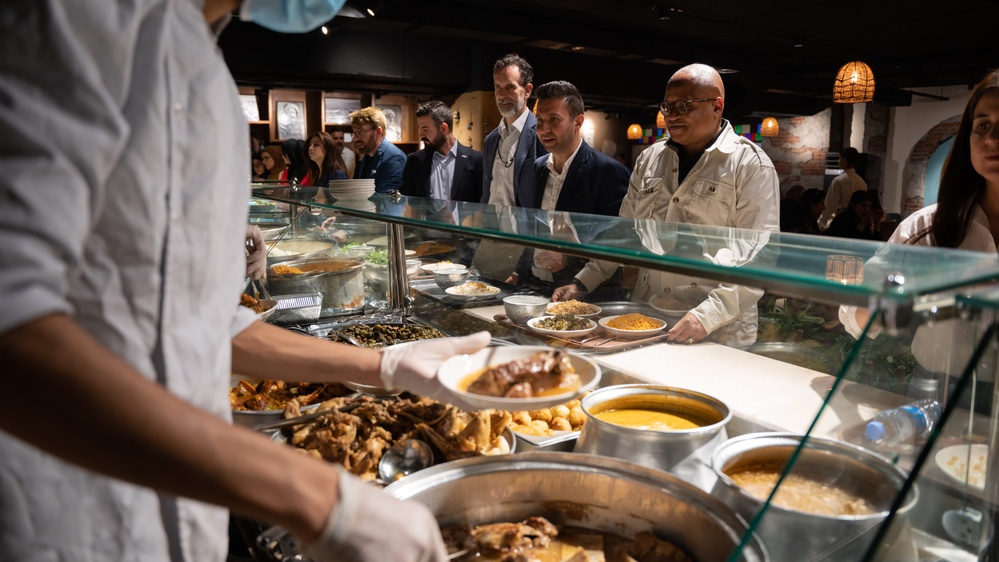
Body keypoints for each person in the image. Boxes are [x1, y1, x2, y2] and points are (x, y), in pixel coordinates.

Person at [0, 1, 486, 561]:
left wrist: (382, 366)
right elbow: (13, 320)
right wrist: (318, 497)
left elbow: (202, 323)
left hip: (190, 508)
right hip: (69, 512)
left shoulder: (207, 69)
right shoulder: (74, 17)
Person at [552, 63, 780, 348]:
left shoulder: (750, 165)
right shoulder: (650, 159)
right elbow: (624, 233)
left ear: (717, 106)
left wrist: (707, 316)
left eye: (684, 106)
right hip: (650, 316)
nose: (672, 115)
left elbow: (761, 256)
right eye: (667, 106)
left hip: (717, 330)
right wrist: (583, 282)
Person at [839, 70, 999, 408]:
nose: (993, 138)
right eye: (983, 125)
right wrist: (889, 303)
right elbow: (854, 311)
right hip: (938, 391)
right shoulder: (927, 226)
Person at [508, 80, 629, 294]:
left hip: (583, 292)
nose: (544, 129)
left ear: (578, 122)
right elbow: (533, 229)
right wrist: (519, 271)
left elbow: (617, 242)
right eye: (540, 120)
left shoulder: (609, 171)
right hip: (534, 285)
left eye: (554, 119)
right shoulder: (537, 167)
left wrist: (568, 259)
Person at [472, 53, 547, 279]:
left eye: (509, 87)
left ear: (527, 90)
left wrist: (525, 261)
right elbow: (488, 193)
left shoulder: (541, 136)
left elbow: (544, 205)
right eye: (497, 88)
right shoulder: (491, 140)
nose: (502, 95)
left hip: (522, 245)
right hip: (489, 241)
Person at [401, 100, 484, 203]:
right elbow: (408, 202)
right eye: (420, 129)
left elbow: (482, 203)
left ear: (444, 128)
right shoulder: (415, 161)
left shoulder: (476, 160)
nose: (421, 135)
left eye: (425, 130)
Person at [350, 106, 407, 193]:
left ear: (378, 132)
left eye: (361, 132)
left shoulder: (394, 157)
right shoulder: (367, 156)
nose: (355, 139)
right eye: (354, 133)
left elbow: (386, 197)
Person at [818, 147, 868, 230]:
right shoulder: (862, 182)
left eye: (839, 158)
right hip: (858, 221)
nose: (838, 161)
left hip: (842, 221)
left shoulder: (838, 180)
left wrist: (821, 223)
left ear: (844, 160)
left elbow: (830, 206)